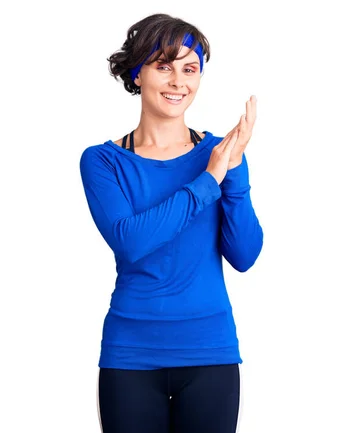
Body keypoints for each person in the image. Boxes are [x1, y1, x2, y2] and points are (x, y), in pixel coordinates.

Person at [79, 13, 264, 433]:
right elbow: (131, 241)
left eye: (189, 68)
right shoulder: (103, 161)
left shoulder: (222, 154)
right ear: (136, 72)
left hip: (210, 353)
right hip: (130, 355)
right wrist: (209, 180)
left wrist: (233, 177)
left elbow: (245, 255)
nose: (178, 81)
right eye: (163, 65)